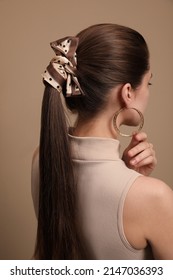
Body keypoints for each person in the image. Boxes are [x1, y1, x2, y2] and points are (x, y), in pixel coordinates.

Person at [31, 23, 173, 260]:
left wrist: (129, 175)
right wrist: (135, 187)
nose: (147, 91)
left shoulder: (42, 157)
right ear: (127, 92)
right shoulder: (155, 198)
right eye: (148, 83)